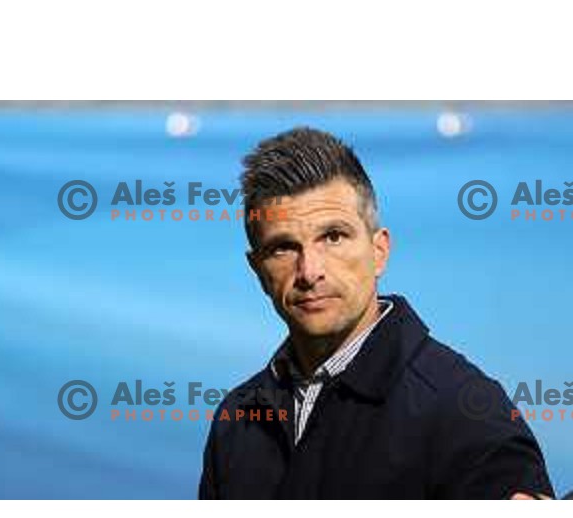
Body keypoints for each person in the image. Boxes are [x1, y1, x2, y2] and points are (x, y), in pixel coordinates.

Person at [199, 126, 554, 499]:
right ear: (258, 271)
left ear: (379, 251)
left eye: (333, 236)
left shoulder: (463, 409)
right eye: (283, 248)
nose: (309, 271)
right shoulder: (237, 418)